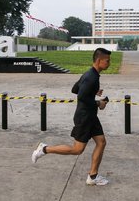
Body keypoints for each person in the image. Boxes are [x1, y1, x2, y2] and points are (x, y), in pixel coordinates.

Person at [31, 48, 111, 186]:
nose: (109, 63)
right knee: (77, 149)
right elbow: (81, 96)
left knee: (101, 142)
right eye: (107, 61)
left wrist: (93, 91)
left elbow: (75, 89)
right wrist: (99, 103)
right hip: (84, 118)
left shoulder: (89, 74)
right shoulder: (92, 77)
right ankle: (44, 149)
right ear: (99, 61)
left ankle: (92, 177)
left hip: (90, 117)